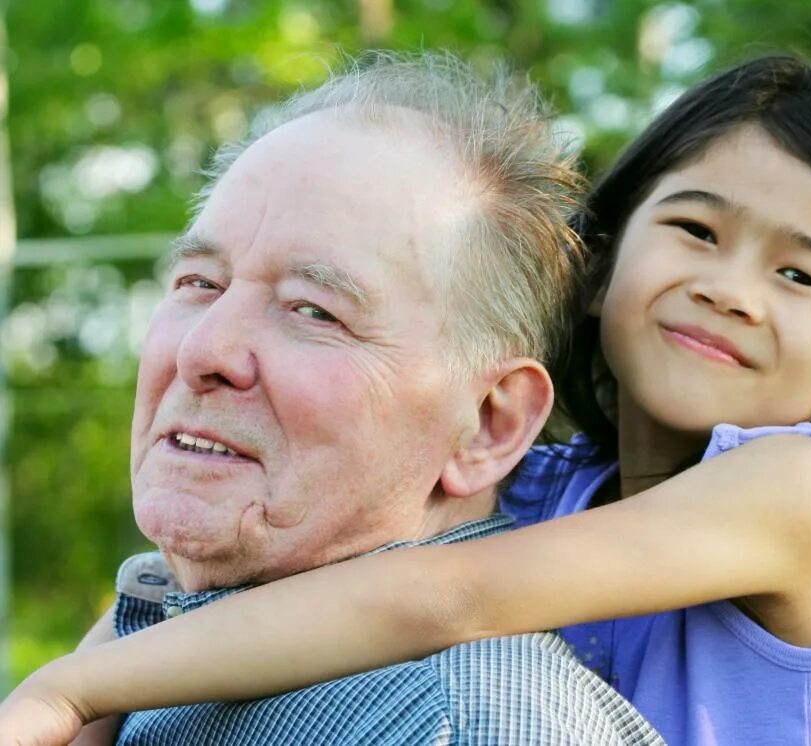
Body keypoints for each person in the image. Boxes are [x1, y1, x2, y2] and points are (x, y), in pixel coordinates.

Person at [0, 54, 811, 746]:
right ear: (603, 264)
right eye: (697, 231)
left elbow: (441, 596)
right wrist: (106, 682)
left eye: (802, 277)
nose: (731, 288)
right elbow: (189, 574)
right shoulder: (552, 482)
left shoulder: (806, 491)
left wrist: (76, 688)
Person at [0, 52, 667, 746]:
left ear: (488, 426)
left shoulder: (463, 724)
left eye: (314, 311)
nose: (203, 352)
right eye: (200, 281)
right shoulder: (154, 639)